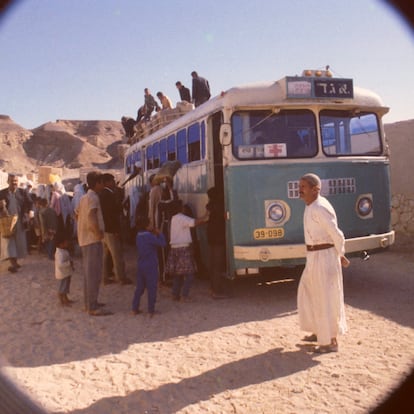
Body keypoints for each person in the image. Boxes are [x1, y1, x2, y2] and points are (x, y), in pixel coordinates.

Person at [297, 173, 349, 353]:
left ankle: (330, 342)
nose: (300, 190)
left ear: (315, 189)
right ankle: (320, 332)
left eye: (303, 187)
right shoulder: (310, 206)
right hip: (313, 258)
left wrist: (340, 253)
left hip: (324, 258)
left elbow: (336, 233)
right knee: (308, 292)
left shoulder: (320, 208)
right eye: (300, 186)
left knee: (327, 298)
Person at [76, 171, 112, 316]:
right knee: (94, 273)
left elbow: (76, 214)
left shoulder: (84, 197)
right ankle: (92, 306)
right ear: (97, 183)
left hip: (84, 239)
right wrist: (96, 232)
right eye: (102, 182)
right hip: (92, 240)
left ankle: (89, 302)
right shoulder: (93, 197)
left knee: (88, 273)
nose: (103, 185)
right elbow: (91, 216)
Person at [165, 200, 209, 302]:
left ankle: (175, 294)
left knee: (178, 274)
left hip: (174, 249)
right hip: (183, 249)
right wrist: (206, 216)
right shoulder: (181, 217)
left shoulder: (174, 218)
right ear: (179, 208)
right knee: (190, 274)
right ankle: (184, 295)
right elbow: (195, 222)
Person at [99, 173, 131, 285]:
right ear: (107, 182)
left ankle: (105, 278)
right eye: (112, 181)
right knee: (117, 254)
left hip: (105, 230)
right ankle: (121, 278)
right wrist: (116, 230)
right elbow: (111, 215)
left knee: (105, 255)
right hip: (111, 230)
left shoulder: (102, 194)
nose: (114, 183)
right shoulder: (108, 195)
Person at [132, 216, 166, 317]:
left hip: (141, 264)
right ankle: (151, 310)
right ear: (147, 226)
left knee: (139, 288)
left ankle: (135, 308)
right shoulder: (149, 236)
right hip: (150, 265)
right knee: (152, 288)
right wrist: (160, 233)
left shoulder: (138, 235)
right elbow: (163, 244)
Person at [0, 173, 34, 273]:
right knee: (9, 242)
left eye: (16, 181)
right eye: (12, 181)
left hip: (20, 222)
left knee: (19, 242)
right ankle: (13, 264)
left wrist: (31, 211)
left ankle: (15, 262)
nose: (14, 183)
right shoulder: (2, 193)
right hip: (7, 222)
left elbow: (30, 203)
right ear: (8, 182)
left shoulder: (23, 192)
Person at [206, 187, 230, 299]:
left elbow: (206, 218)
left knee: (213, 264)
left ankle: (212, 288)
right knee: (217, 265)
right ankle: (216, 291)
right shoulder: (221, 207)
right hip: (219, 238)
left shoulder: (210, 207)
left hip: (211, 237)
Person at [54, 233, 75, 306]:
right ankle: (62, 300)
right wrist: (69, 263)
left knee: (66, 286)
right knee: (63, 287)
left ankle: (66, 298)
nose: (67, 243)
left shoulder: (64, 250)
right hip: (62, 273)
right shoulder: (59, 253)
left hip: (66, 272)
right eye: (65, 242)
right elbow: (60, 265)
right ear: (61, 244)